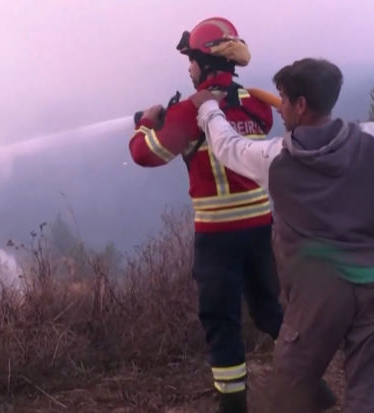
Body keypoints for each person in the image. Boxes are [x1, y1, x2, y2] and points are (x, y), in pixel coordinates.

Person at [192, 58, 374, 413]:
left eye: (284, 99)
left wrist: (208, 108)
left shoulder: (276, 158)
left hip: (319, 292)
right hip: (372, 280)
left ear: (301, 104)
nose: (279, 108)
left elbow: (228, 146)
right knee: (369, 389)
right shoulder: (370, 138)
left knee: (291, 386)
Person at [128, 17, 283, 413]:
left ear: (205, 62)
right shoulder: (255, 103)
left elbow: (145, 154)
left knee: (221, 320)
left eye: (191, 60)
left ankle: (233, 406)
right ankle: (310, 380)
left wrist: (147, 123)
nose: (188, 69)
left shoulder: (192, 110)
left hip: (218, 236)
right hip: (260, 227)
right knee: (269, 309)